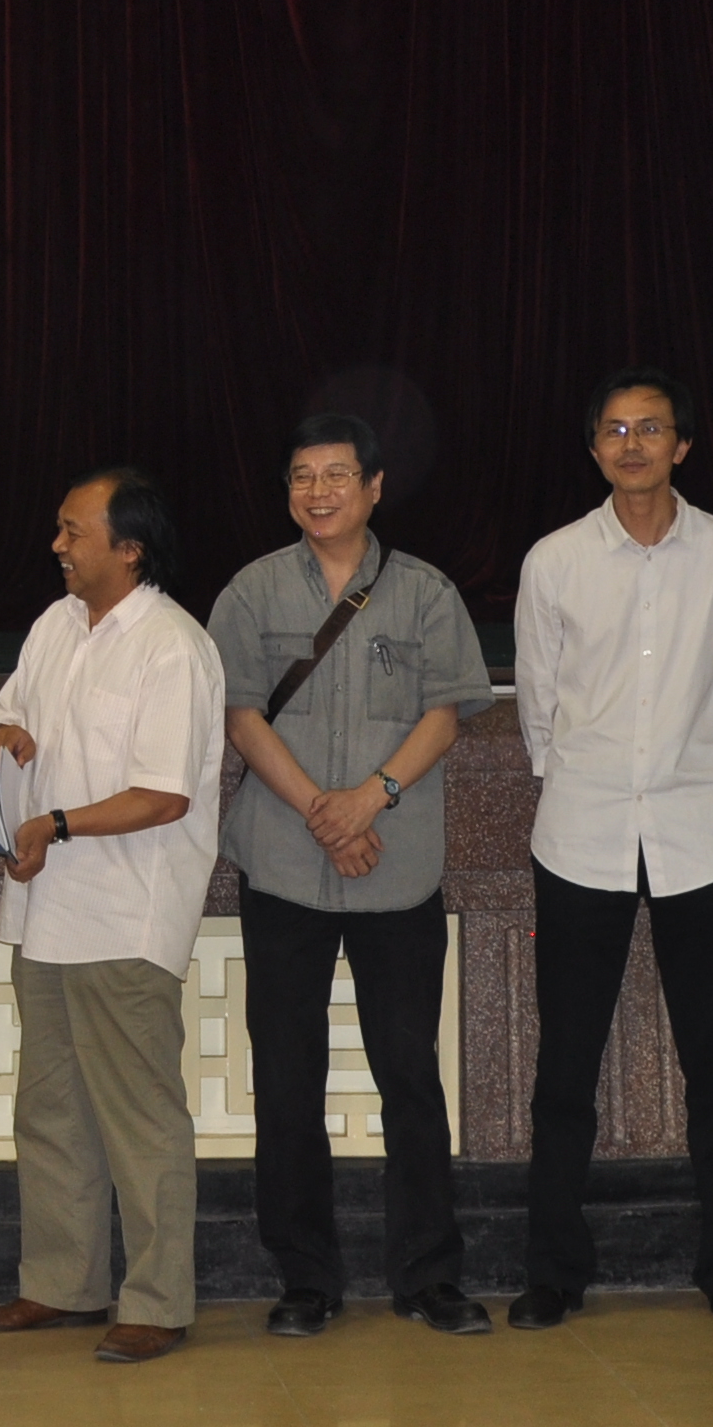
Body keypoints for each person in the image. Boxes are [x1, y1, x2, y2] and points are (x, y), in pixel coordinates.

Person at [206, 412, 492, 1340]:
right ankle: (305, 1278)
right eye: (301, 476)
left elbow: (446, 713)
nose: (317, 492)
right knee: (287, 1077)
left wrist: (370, 799)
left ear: (374, 487)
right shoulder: (250, 591)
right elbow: (240, 716)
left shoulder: (426, 592)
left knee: (410, 1075)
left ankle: (429, 1276)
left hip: (396, 868)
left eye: (336, 476)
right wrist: (321, 813)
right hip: (284, 865)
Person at [508, 371, 713, 1338]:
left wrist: (704, 780)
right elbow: (538, 705)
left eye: (651, 429)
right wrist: (582, 778)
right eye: (615, 430)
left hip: (697, 834)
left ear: (682, 446)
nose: (632, 444)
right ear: (594, 448)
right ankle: (553, 1273)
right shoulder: (554, 560)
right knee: (564, 1067)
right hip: (580, 836)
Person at [0, 470, 225, 1364]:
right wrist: (9, 739)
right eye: (59, 528)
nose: (58, 546)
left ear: (131, 548)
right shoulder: (54, 624)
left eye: (74, 532)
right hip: (44, 911)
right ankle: (61, 1282)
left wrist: (54, 823)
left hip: (125, 913)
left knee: (139, 1117)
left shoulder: (172, 645)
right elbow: (9, 716)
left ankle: (157, 1301)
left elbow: (164, 795)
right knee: (51, 1109)